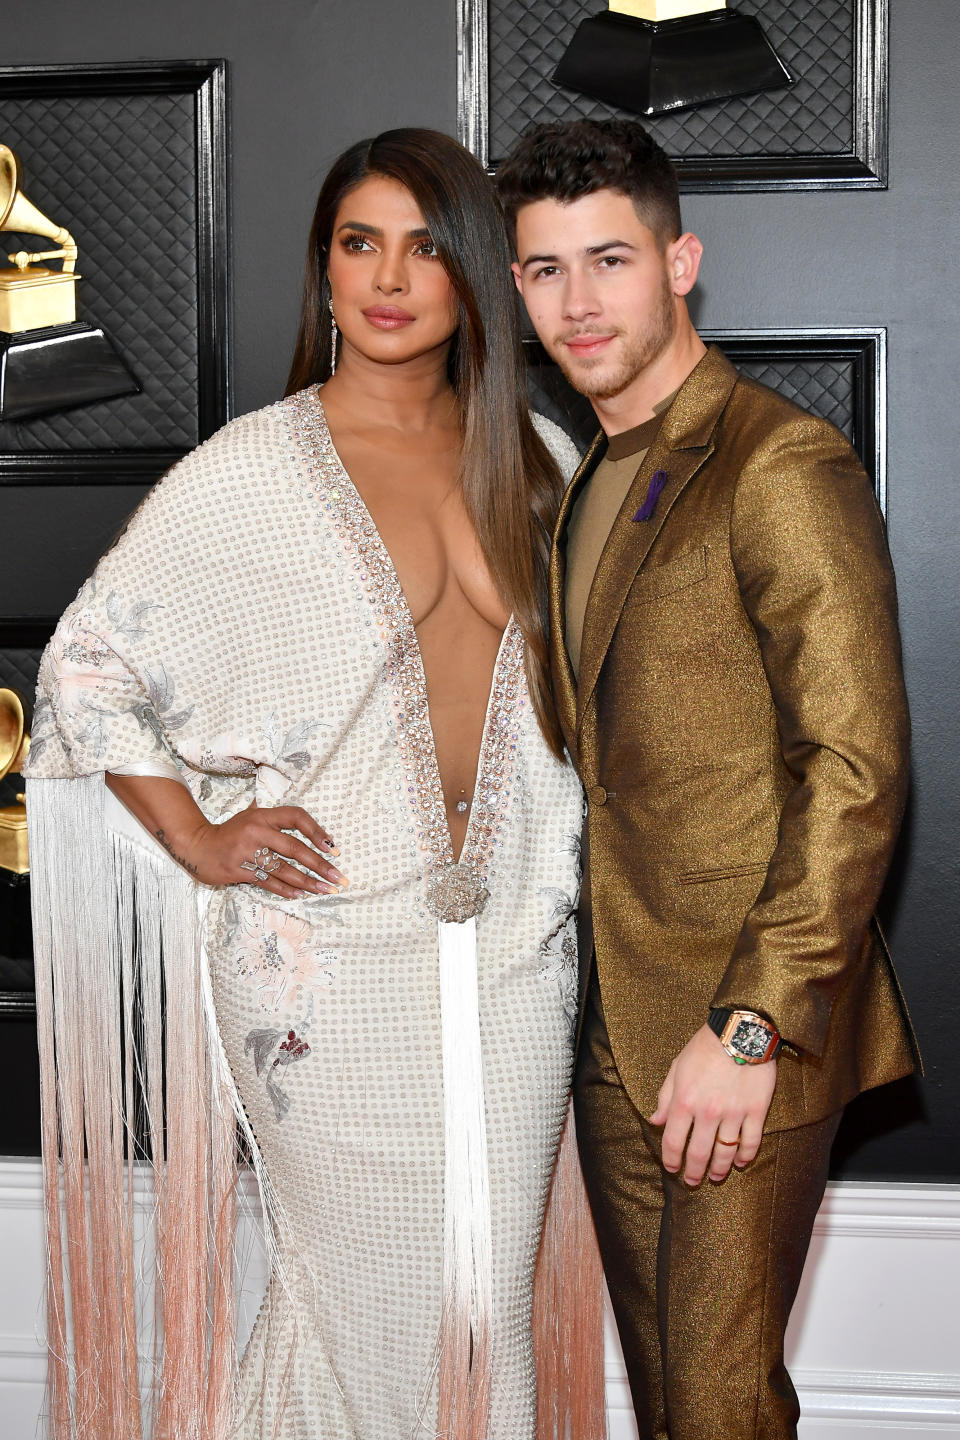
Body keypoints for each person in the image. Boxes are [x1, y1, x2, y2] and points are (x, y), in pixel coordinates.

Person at [25, 128, 606, 1440]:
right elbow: (85, 672)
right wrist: (205, 839)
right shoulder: (250, 475)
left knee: (484, 1315)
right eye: (358, 243)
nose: (388, 277)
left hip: (517, 950)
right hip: (326, 969)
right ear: (324, 268)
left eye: (425, 246)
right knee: (367, 1302)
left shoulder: (547, 463)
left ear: (477, 277)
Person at [497, 118, 917, 1440]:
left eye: (608, 260)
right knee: (682, 1407)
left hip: (743, 1029)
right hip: (615, 1032)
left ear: (681, 261)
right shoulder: (588, 480)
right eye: (545, 269)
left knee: (724, 1408)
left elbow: (855, 771)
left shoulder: (779, 462)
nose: (578, 301)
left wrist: (755, 1028)